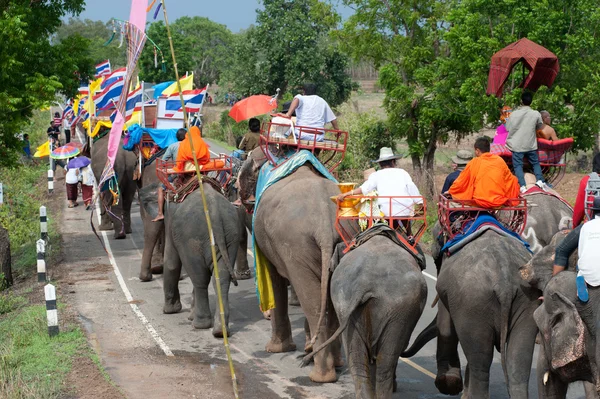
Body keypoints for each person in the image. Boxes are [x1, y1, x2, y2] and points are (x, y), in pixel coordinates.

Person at [338, 147, 422, 218]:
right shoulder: (403, 172)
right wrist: (420, 203)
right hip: (405, 211)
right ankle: (409, 235)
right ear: (393, 162)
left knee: (380, 211)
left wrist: (345, 194)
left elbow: (363, 189)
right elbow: (412, 188)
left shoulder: (376, 175)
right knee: (407, 213)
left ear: (380, 164)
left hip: (386, 212)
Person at [447, 137, 520, 208]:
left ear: (477, 150)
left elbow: (461, 182)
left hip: (480, 201)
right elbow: (510, 179)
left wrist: (451, 191)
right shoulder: (499, 160)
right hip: (498, 200)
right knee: (513, 180)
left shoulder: (474, 162)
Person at [552, 197, 600, 303]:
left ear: (593, 211)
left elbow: (562, 250)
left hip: (589, 271)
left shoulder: (585, 227)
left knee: (581, 266)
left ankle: (581, 282)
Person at [506, 91, 548, 193]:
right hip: (530, 145)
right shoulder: (536, 114)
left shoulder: (513, 114)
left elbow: (507, 128)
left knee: (518, 166)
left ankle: (522, 186)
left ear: (521, 101)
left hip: (517, 146)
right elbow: (539, 127)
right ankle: (539, 180)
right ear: (531, 102)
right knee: (535, 163)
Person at [152, 128, 188, 222]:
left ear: (177, 137)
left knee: (161, 188)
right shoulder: (192, 145)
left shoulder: (172, 146)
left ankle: (160, 214)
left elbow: (163, 161)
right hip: (193, 172)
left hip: (178, 174)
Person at [572, 153, 600, 228]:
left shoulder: (587, 181)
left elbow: (579, 210)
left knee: (564, 240)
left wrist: (574, 226)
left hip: (591, 224)